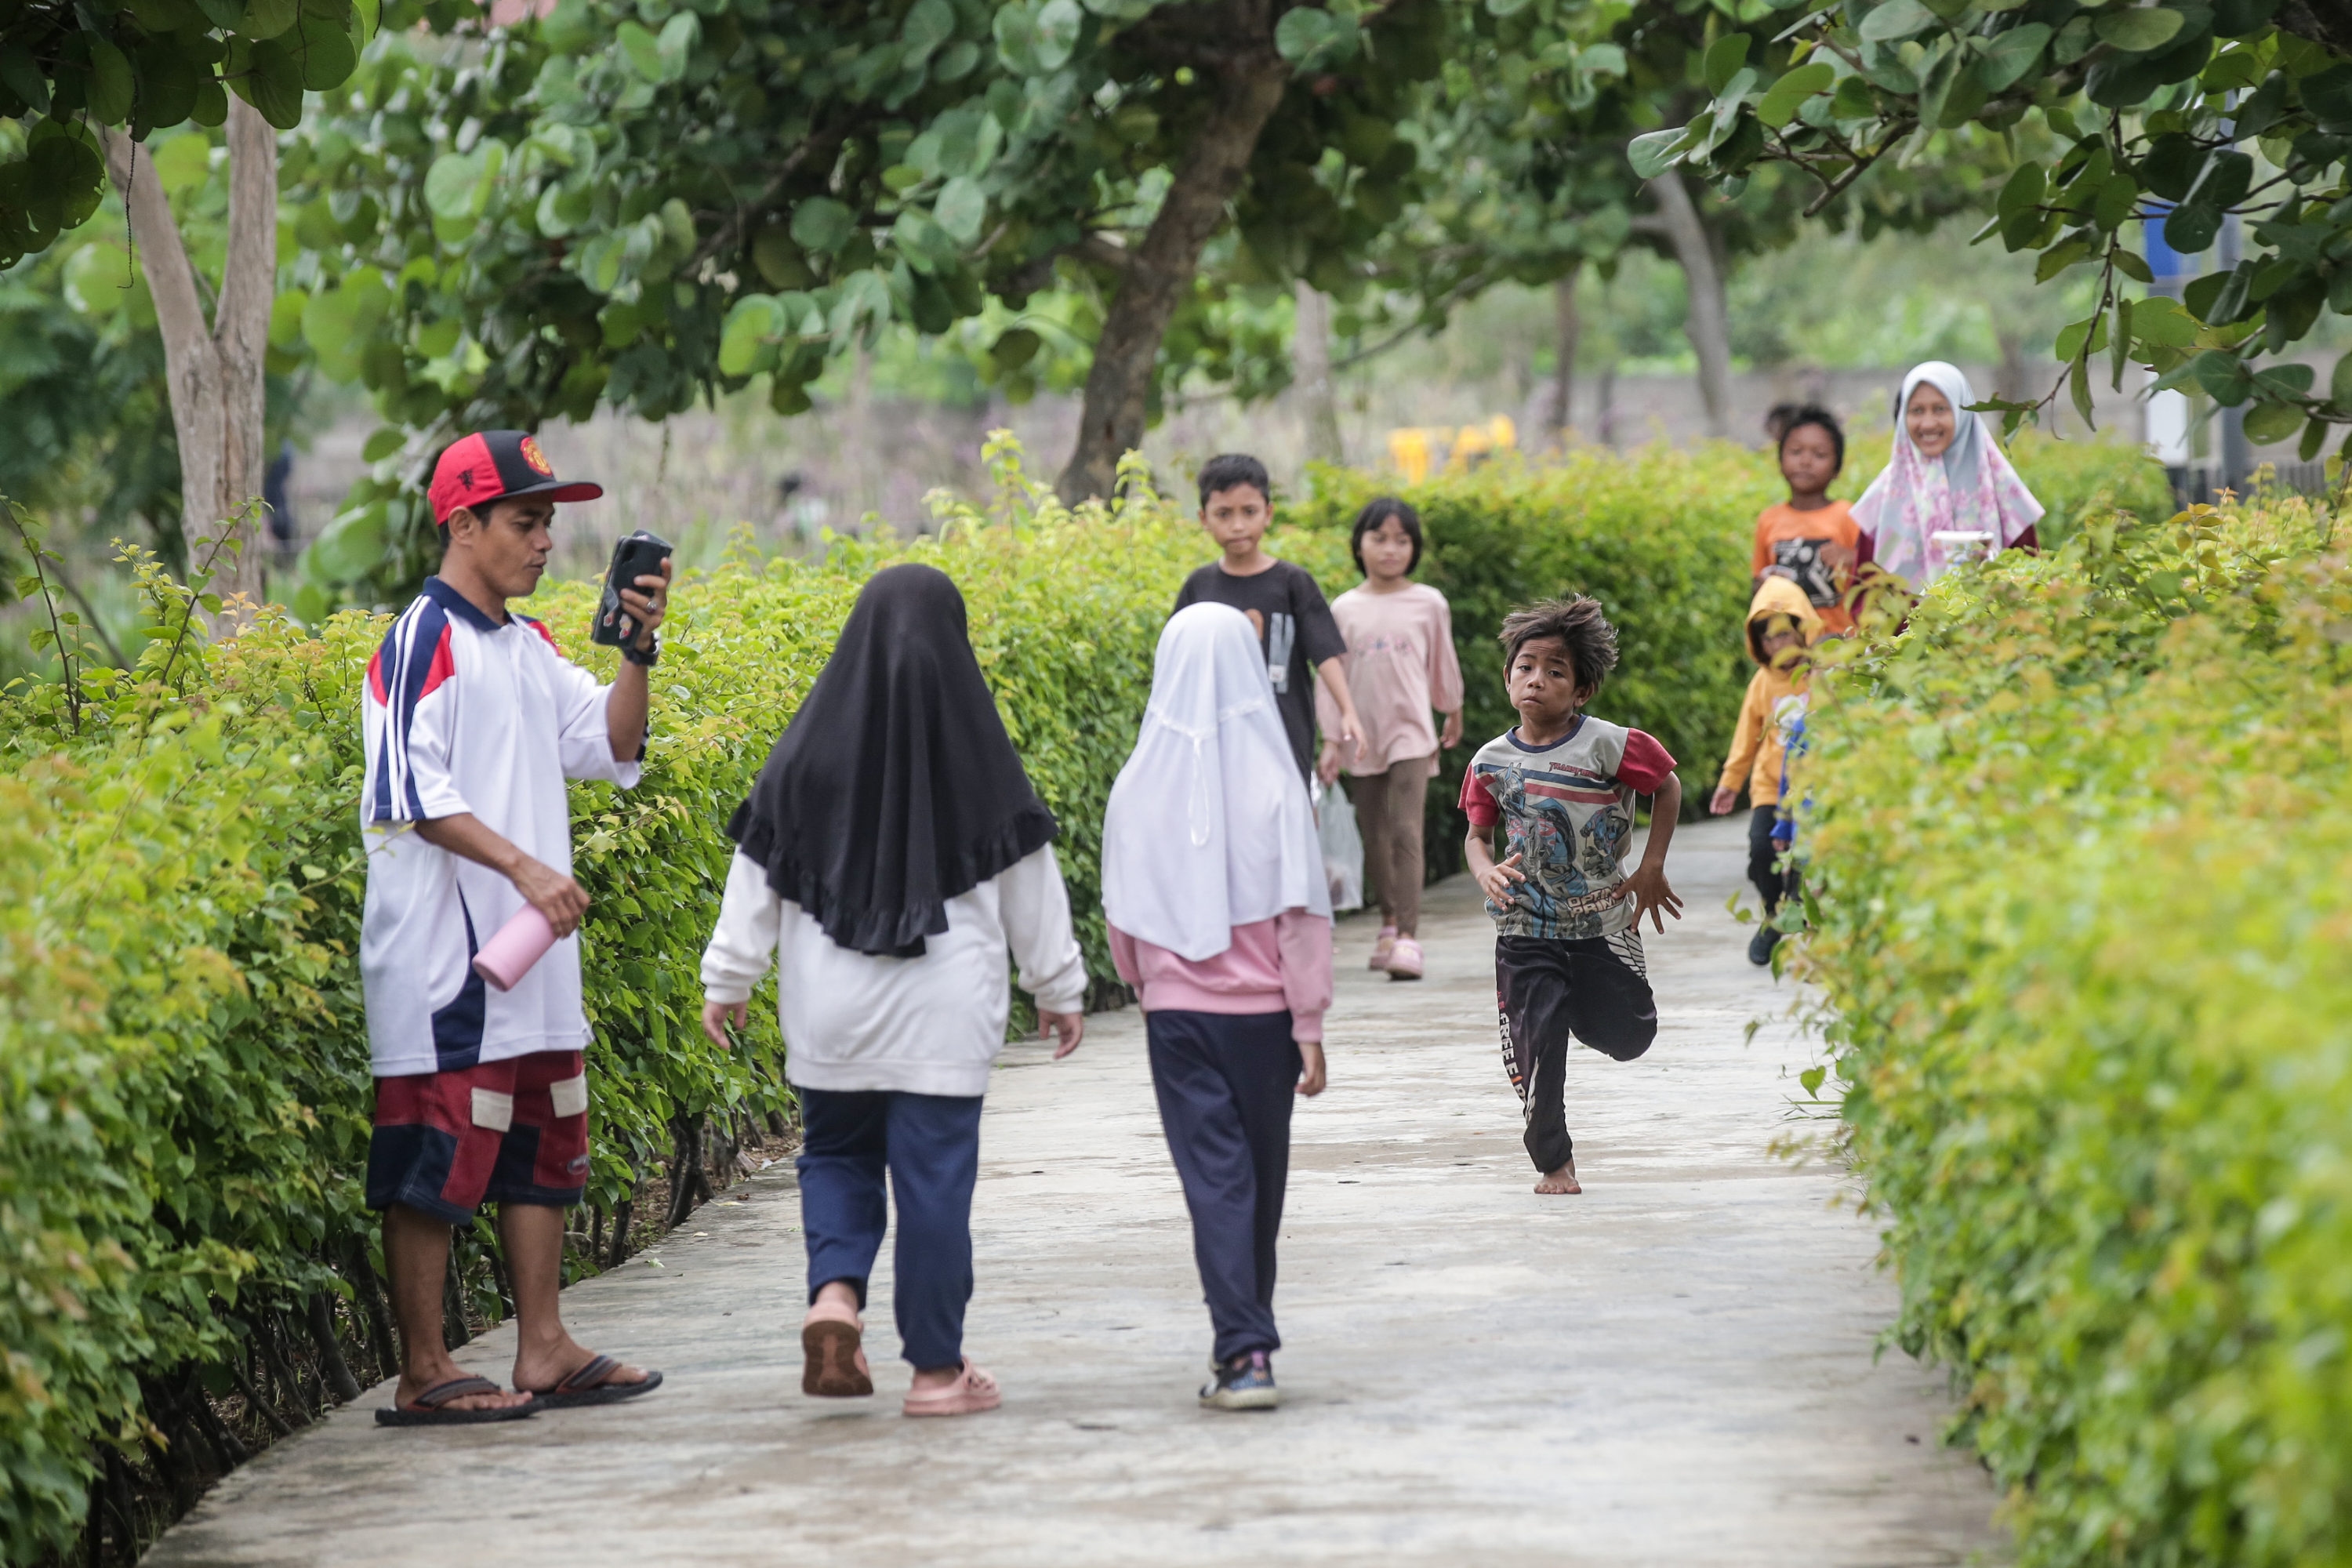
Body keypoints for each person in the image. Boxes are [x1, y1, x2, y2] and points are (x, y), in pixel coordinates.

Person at [699, 563, 1087, 1419]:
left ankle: (835, 1294)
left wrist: (727, 979)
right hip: (945, 1016)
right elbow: (1033, 888)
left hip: (830, 1014)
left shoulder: (805, 753)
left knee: (836, 1154)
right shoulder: (982, 757)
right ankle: (937, 1373)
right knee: (933, 1186)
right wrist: (1057, 987)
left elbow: (753, 878)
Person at [361, 430, 667, 1425]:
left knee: (540, 1143)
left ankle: (544, 1346)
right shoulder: (421, 638)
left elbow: (612, 742)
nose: (545, 542)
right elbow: (410, 790)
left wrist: (636, 650)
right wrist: (530, 869)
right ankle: (425, 1367)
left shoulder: (526, 646)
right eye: (526, 521)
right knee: (436, 1152)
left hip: (532, 965)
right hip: (450, 961)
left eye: (550, 522)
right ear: (463, 523)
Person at [1102, 603, 1334, 1411]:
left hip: (1177, 1019)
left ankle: (1244, 1346)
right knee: (1259, 1183)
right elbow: (1303, 917)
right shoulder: (1278, 781)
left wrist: (1147, 983)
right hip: (1265, 1020)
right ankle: (1247, 1343)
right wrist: (1308, 1022)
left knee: (1216, 1182)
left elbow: (1121, 911)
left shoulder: (1137, 784)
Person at [1461, 598, 1682, 1196]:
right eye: (1526, 667)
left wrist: (1651, 866)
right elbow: (1476, 837)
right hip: (1523, 929)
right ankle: (1554, 1163)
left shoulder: (1610, 746)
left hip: (1601, 925)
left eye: (1555, 671)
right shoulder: (1489, 762)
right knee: (1537, 1049)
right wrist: (1484, 872)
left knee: (1629, 1036)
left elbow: (1666, 784)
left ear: (1581, 691)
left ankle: (1575, 1006)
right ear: (1507, 678)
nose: (1537, 679)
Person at [1315, 497, 1464, 981]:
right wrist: (1332, 740)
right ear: (1359, 544)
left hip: (1412, 733)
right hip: (1362, 735)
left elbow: (1442, 663)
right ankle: (1388, 922)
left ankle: (1409, 938)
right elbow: (1331, 676)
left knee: (1405, 829)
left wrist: (1452, 709)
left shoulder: (1429, 603)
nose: (1390, 549)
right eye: (1379, 538)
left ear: (1414, 548)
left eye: (1402, 540)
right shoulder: (1344, 609)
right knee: (1374, 834)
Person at [1173, 453, 1363, 781]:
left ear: (1268, 513)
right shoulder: (1198, 587)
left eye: (1249, 512)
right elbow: (1177, 662)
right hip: (1217, 733)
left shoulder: (1293, 583)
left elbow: (1325, 654)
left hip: (1285, 733)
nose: (1237, 525)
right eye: (1224, 514)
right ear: (1204, 519)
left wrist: (1348, 711)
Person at [1708, 578, 1822, 966]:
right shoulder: (1762, 684)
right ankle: (1775, 914)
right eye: (1768, 639)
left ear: (1804, 630)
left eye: (1784, 635)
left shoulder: (1824, 675)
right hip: (1771, 787)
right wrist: (1729, 783)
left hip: (1815, 790)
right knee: (1760, 851)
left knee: (1807, 859)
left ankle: (1798, 906)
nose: (1777, 647)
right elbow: (1746, 739)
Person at [1853, 361, 2043, 590]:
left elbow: (2031, 572)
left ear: (1963, 411)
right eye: (1917, 411)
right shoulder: (1887, 493)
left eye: (1940, 409)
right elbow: (1863, 590)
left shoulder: (2000, 485)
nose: (1928, 423)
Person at [1751, 404, 1867, 637]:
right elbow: (1757, 585)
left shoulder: (1848, 516)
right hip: (1789, 652)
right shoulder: (1769, 520)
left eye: (1820, 455)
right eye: (1796, 452)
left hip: (1842, 647)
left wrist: (1850, 558)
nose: (1806, 461)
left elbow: (1876, 575)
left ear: (1837, 467)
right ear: (1781, 460)